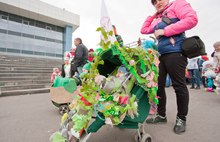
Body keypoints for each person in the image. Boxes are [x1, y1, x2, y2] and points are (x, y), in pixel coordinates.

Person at [141, 0, 198, 134]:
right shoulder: (157, 17)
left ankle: (181, 118)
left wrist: (165, 31)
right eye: (154, 2)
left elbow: (192, 19)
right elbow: (143, 30)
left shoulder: (178, 4)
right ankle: (161, 115)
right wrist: (153, 16)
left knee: (179, 86)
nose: (157, 2)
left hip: (176, 52)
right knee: (158, 86)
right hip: (160, 56)